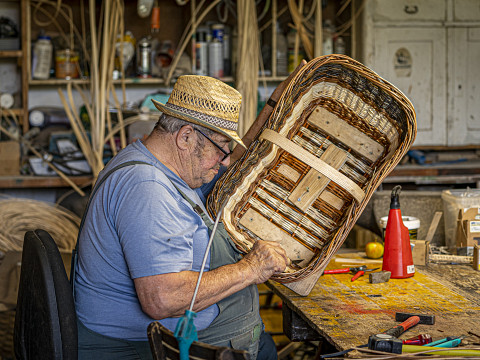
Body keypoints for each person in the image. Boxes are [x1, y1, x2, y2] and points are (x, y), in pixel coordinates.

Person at [74, 63, 306, 360]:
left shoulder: (159, 163)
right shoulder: (147, 189)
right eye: (221, 148)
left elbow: (235, 163)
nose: (223, 161)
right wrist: (252, 269)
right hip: (150, 350)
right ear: (185, 137)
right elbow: (163, 299)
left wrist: (274, 105)